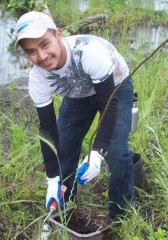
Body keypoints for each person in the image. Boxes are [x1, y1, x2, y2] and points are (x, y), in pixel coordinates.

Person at [15, 11, 136, 220]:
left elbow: (109, 104)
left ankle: (121, 213)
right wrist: (52, 179)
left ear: (58, 35)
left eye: (45, 44)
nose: (42, 57)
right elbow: (47, 128)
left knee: (116, 151)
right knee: (63, 150)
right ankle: (64, 205)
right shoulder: (37, 78)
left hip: (115, 87)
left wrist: (98, 151)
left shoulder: (89, 53)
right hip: (78, 94)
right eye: (32, 51)